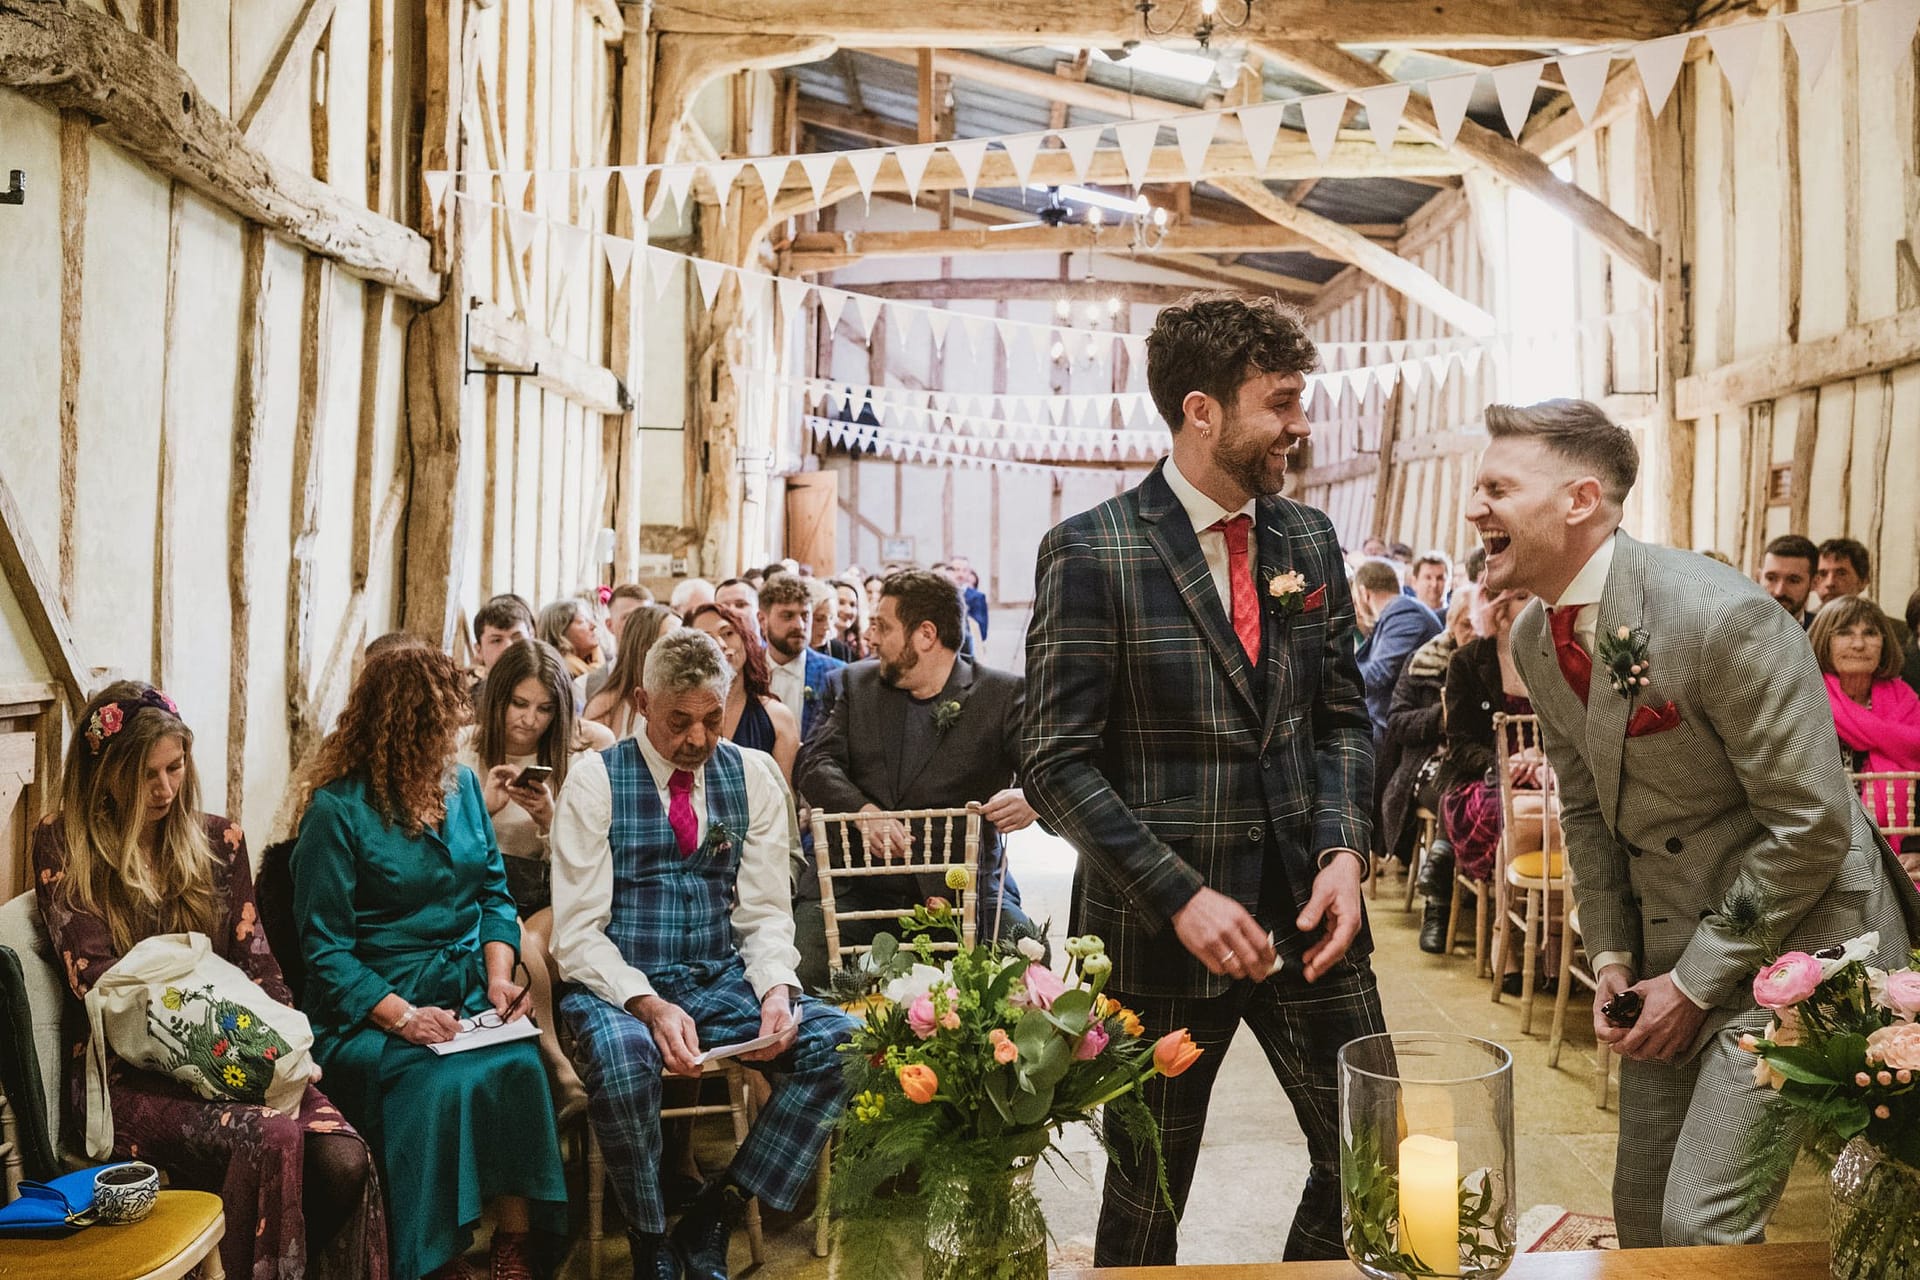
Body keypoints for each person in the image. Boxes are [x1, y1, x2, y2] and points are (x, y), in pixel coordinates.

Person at [1467, 397, 1920, 1247]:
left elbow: (1813, 825)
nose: (1474, 507)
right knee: (1641, 1212)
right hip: (1673, 952)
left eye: (1498, 486)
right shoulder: (1534, 636)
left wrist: (1697, 983)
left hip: (1808, 950)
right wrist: (1611, 958)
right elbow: (1591, 812)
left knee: (1699, 1223)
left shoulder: (1722, 617)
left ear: (1579, 500)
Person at [1023, 294, 1384, 1266]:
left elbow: (1344, 717)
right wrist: (1178, 894)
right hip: (1159, 933)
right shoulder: (1093, 549)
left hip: (1315, 913)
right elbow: (1053, 762)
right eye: (1282, 401)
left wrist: (1345, 850)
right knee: (1147, 1195)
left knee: (1373, 1155)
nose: (1301, 425)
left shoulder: (1307, 541)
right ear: (1202, 410)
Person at [33, 682, 385, 1280]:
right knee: (273, 1138)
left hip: (248, 1051)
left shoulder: (220, 842)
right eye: (146, 775)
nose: (165, 789)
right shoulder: (64, 845)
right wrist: (240, 1057)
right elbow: (100, 985)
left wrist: (286, 1047)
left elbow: (261, 968)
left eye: (175, 768)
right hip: (129, 1077)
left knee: (345, 1160)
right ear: (105, 775)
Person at [548, 629, 857, 1280]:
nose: (696, 739)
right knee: (625, 1061)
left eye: (712, 720)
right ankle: (650, 1241)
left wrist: (776, 990)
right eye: (678, 722)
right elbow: (576, 933)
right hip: (616, 981)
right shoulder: (594, 781)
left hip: (716, 976)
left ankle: (715, 1214)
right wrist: (649, 1004)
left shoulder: (751, 775)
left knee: (841, 1044)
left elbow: (766, 911)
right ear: (641, 703)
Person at [291, 647, 567, 1280]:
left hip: (467, 987)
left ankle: (514, 1247)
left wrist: (500, 978)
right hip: (370, 1009)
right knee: (439, 1084)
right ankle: (431, 1259)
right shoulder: (337, 812)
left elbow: (494, 894)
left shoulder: (464, 785)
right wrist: (404, 1018)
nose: (454, 738)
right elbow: (325, 951)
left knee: (520, 1062)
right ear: (405, 726)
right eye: (442, 725)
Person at [797, 568, 1034, 941]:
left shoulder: (1002, 696)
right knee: (805, 961)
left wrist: (1031, 798)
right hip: (857, 890)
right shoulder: (851, 685)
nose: (870, 638)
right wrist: (864, 813)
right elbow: (813, 763)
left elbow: (1050, 772)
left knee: (1025, 956)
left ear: (925, 635)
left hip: (962, 890)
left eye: (883, 627)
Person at [458, 638, 617, 1116]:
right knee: (511, 934)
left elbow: (589, 857)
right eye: (519, 704)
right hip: (482, 888)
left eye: (545, 708)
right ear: (497, 698)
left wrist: (550, 820)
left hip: (552, 888)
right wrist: (482, 812)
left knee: (523, 938)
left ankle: (555, 1070)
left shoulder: (583, 750)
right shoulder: (462, 747)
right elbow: (445, 844)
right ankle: (555, 1064)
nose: (529, 719)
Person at [1384, 592, 1474, 952]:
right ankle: (1436, 908)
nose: (1473, 632)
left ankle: (1445, 870)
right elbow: (1397, 723)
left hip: (1477, 762)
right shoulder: (1423, 661)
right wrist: (1440, 719)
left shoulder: (1491, 662)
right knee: (1452, 794)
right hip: (1428, 764)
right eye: (1465, 624)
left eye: (1477, 624)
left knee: (1472, 789)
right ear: (1452, 624)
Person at [1809, 596, 1920, 872]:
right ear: (1825, 640)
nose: (1859, 644)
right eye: (1845, 633)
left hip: (1902, 852)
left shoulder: (1906, 700)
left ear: (1884, 642)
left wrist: (1916, 847)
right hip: (1821, 849)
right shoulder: (1807, 699)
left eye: (1870, 633)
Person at [685, 603, 799, 781]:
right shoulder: (679, 719)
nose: (721, 645)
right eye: (706, 639)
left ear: (745, 639)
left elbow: (785, 797)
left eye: (728, 633)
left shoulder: (777, 717)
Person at [1356, 559, 1442, 742]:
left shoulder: (1405, 612)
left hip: (1391, 730)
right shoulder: (1400, 611)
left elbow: (1379, 673)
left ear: (1364, 593)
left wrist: (1333, 680)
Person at [758, 574, 845, 743]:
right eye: (787, 616)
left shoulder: (837, 675)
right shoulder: (746, 672)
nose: (799, 625)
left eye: (805, 616)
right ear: (762, 620)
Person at [585, 604, 680, 739]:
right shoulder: (604, 707)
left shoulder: (690, 702)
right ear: (643, 646)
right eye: (670, 640)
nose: (682, 648)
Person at [538, 598, 603, 702]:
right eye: (582, 621)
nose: (593, 626)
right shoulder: (558, 675)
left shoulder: (593, 664)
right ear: (560, 632)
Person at [470, 594, 536, 690]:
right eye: (496, 640)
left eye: (517, 638)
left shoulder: (552, 692)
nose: (508, 647)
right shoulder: (466, 701)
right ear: (479, 650)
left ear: (532, 639)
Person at [1757, 534, 1818, 627]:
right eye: (1771, 578)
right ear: (1759, 578)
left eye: (1793, 581)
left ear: (1814, 583)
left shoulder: (1824, 632)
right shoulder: (1735, 629)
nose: (1779, 592)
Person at [830, 576, 870, 661]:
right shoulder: (819, 644)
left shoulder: (861, 647)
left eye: (852, 605)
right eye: (841, 603)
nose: (848, 611)